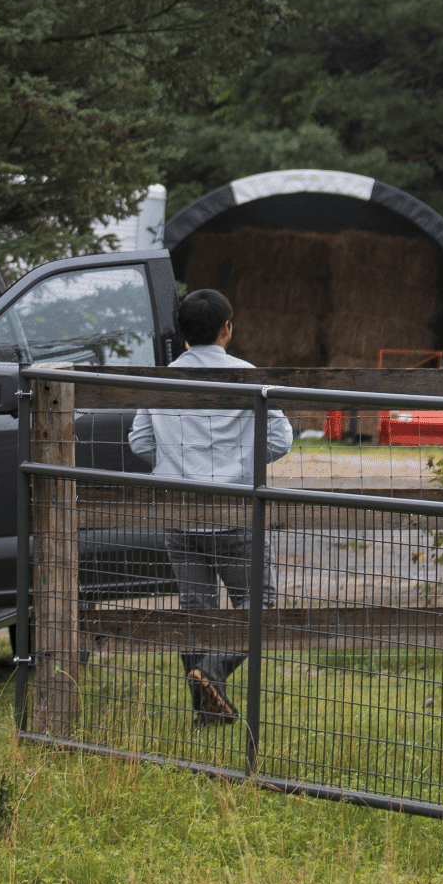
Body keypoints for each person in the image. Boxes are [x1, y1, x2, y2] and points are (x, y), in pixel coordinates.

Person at [129, 290, 293, 726]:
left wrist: (175, 462)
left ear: (182, 333)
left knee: (195, 612)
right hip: (236, 513)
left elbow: (139, 441)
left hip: (181, 515)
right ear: (227, 328)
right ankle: (213, 675)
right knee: (261, 607)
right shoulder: (248, 377)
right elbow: (281, 440)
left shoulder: (160, 380)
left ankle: (207, 708)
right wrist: (243, 462)